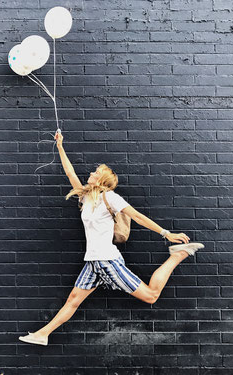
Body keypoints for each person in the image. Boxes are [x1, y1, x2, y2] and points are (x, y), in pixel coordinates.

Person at [19, 130, 203, 346]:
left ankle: (177, 255)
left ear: (102, 179)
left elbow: (137, 216)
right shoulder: (86, 197)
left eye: (96, 172)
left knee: (151, 295)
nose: (92, 173)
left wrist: (166, 233)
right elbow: (70, 174)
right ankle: (43, 334)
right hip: (93, 262)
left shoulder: (110, 197)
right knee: (73, 300)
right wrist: (60, 146)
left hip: (106, 261)